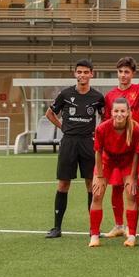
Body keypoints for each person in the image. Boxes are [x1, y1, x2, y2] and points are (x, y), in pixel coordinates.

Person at [44, 59, 105, 239]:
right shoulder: (65, 94)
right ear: (75, 73)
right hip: (69, 142)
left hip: (88, 143)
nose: (82, 75)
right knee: (63, 184)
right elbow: (49, 113)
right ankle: (57, 227)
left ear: (92, 74)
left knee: (90, 184)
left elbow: (104, 116)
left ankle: (93, 228)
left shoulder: (97, 97)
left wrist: (98, 132)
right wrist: (63, 127)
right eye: (79, 72)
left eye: (86, 72)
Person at [103, 56, 139, 237]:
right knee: (116, 187)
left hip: (134, 147)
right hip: (115, 149)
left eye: (127, 72)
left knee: (133, 186)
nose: (123, 75)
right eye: (120, 72)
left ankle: (132, 227)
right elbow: (107, 121)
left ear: (133, 74)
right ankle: (118, 225)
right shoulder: (110, 96)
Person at [88, 98, 139, 247]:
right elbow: (98, 152)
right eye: (116, 111)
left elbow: (137, 153)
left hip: (127, 162)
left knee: (131, 194)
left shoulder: (135, 128)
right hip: (107, 161)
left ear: (128, 112)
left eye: (122, 111)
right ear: (111, 112)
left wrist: (132, 177)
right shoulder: (102, 128)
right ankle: (94, 235)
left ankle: (131, 235)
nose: (119, 114)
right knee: (97, 194)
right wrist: (98, 176)